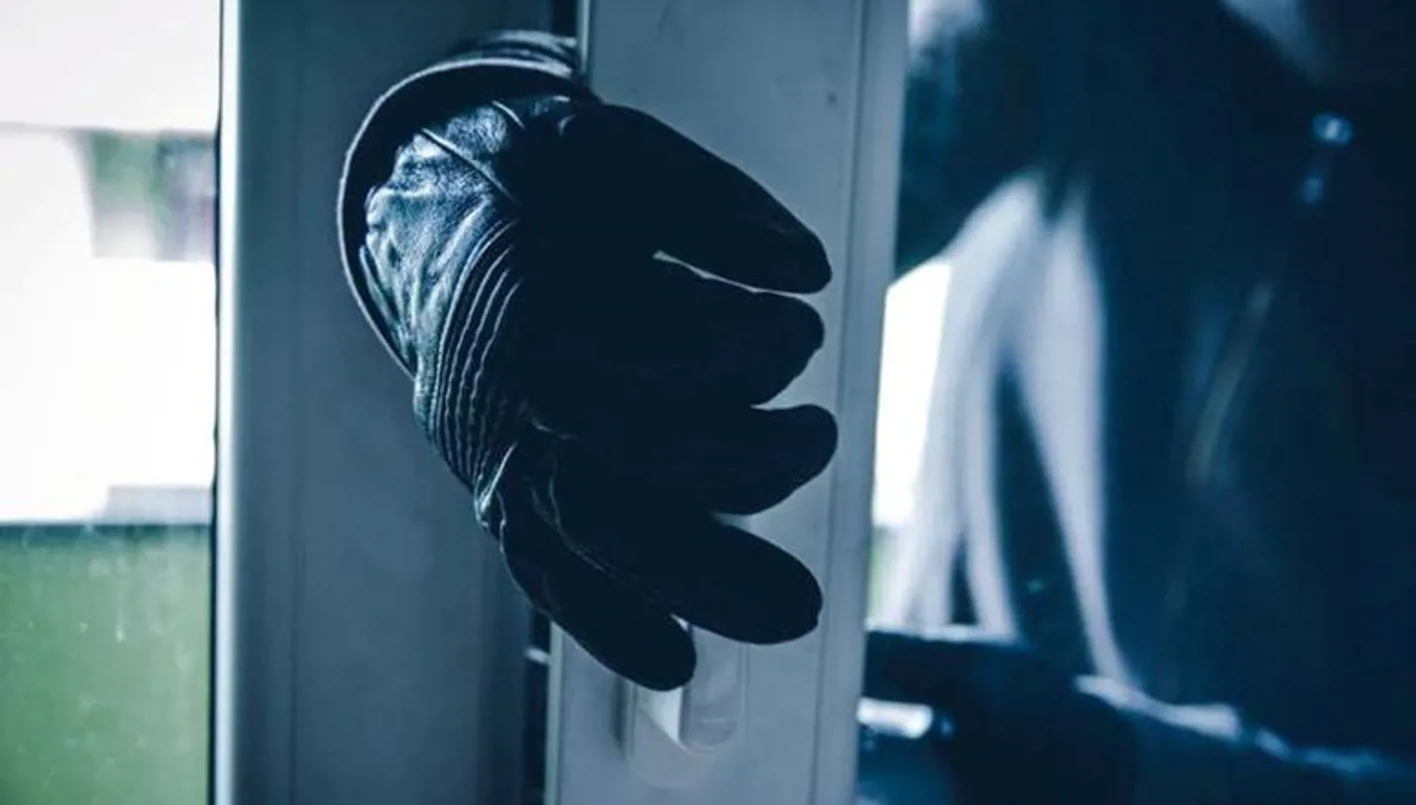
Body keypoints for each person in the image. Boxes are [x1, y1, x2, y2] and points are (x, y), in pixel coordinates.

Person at [336, 2, 1416, 802]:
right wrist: (460, 160)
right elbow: (771, 155)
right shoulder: (1085, 26)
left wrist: (1131, 767)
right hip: (903, 757)